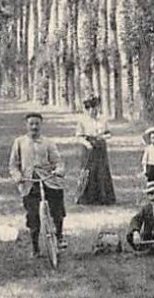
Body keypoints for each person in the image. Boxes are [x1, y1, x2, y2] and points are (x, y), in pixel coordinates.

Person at [9, 112, 66, 257]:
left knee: (57, 206)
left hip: (48, 180)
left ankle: (59, 236)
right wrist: (18, 177)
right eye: (31, 124)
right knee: (33, 216)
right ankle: (35, 247)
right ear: (26, 125)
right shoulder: (19, 142)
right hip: (29, 183)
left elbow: (58, 161)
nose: (34, 127)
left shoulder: (48, 143)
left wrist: (59, 170)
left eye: (37, 124)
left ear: (41, 125)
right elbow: (13, 165)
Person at [75, 95, 116, 205]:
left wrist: (103, 137)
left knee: (101, 170)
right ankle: (86, 197)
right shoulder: (82, 121)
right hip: (88, 148)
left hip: (100, 147)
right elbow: (79, 136)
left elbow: (109, 133)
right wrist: (87, 144)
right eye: (89, 108)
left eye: (95, 107)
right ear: (86, 109)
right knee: (88, 170)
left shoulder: (103, 120)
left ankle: (103, 197)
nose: (92, 111)